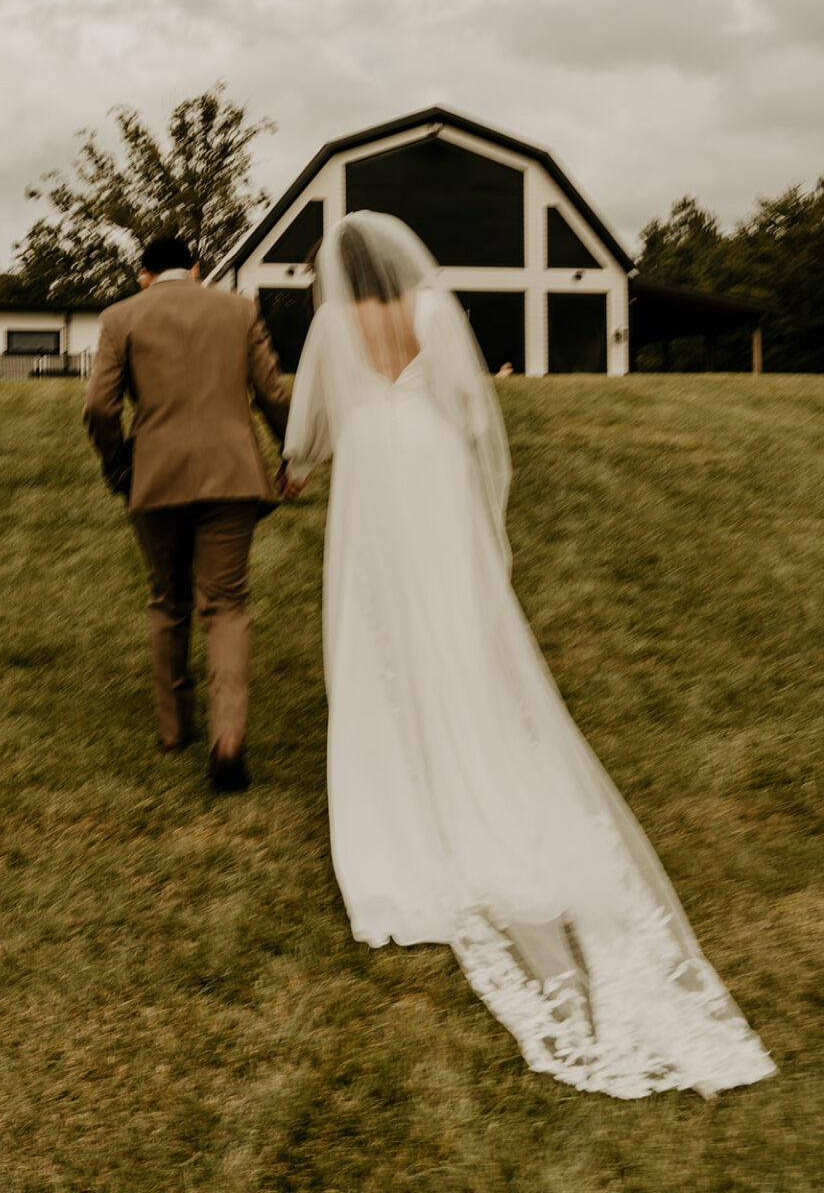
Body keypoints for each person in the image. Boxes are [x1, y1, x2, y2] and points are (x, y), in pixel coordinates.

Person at [281, 210, 775, 1098]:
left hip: (370, 477)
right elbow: (471, 410)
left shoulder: (325, 326)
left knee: (381, 632)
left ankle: (401, 800)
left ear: (335, 271)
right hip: (428, 467)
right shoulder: (432, 309)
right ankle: (473, 759)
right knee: (453, 623)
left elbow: (309, 428)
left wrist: (297, 470)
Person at [83, 233, 291, 792]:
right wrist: (293, 453)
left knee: (168, 601)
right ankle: (228, 739)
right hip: (232, 477)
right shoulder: (238, 309)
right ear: (196, 268)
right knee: (225, 607)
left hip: (156, 477)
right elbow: (272, 391)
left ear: (143, 273)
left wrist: (120, 467)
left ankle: (175, 730)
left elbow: (100, 407)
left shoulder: (120, 316)